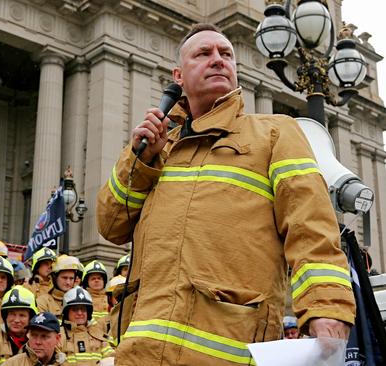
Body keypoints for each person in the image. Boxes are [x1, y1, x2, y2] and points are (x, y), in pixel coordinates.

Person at [96, 23, 356, 364]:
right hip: (141, 354)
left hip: (227, 352)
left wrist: (327, 306)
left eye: (226, 54)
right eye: (203, 54)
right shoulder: (159, 149)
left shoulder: (276, 133)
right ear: (178, 76)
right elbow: (111, 225)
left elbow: (312, 226)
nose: (218, 60)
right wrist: (140, 159)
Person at [58, 287, 114, 365]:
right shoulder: (59, 335)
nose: (80, 313)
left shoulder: (98, 334)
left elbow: (111, 357)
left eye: (83, 309)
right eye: (75, 309)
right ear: (67, 312)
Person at [2, 311, 67, 366]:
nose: (38, 342)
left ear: (57, 338)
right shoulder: (12, 364)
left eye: (44, 336)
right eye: (34, 335)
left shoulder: (67, 364)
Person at [80, 260, 109, 325]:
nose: (96, 280)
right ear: (86, 282)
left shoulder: (111, 298)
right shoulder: (82, 298)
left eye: (99, 278)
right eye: (93, 278)